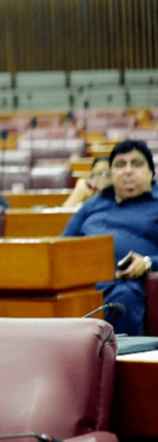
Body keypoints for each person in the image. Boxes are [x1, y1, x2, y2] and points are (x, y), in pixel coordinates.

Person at [63, 140, 158, 335]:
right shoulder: (93, 204)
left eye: (136, 164)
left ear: (151, 172)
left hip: (124, 285)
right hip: (83, 284)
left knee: (123, 299)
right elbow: (62, 244)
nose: (127, 171)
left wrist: (148, 262)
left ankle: (120, 364)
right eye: (120, 165)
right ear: (112, 173)